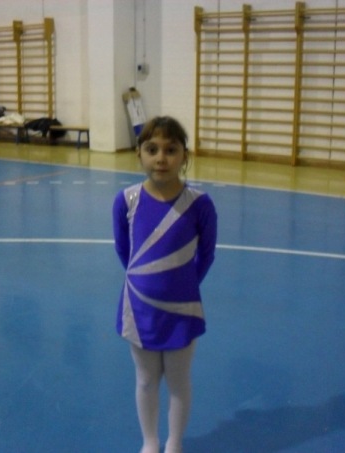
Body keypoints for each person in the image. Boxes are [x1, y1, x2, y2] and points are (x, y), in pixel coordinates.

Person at [112, 116, 217, 453]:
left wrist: (182, 286)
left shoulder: (200, 205)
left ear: (185, 156)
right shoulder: (126, 200)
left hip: (182, 309)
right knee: (145, 380)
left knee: (178, 381)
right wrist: (146, 284)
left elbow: (206, 255)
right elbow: (124, 251)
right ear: (139, 154)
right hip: (138, 308)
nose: (161, 158)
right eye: (152, 149)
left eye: (171, 150)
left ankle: (174, 443)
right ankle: (150, 441)